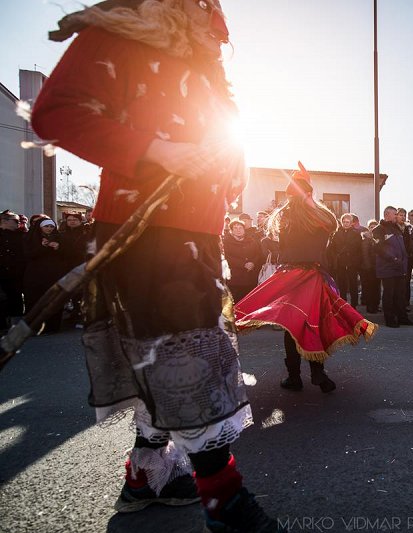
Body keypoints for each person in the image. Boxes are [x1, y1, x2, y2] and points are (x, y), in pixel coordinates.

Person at [30, 2, 282, 530]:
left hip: (195, 235)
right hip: (144, 234)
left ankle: (146, 477)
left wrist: (229, 168)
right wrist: (159, 150)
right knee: (185, 368)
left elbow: (220, 142)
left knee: (162, 366)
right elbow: (55, 111)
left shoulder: (208, 66)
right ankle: (226, 502)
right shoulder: (123, 31)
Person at [235, 163, 377, 394]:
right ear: (308, 194)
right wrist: (311, 201)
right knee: (314, 323)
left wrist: (306, 198)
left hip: (290, 276)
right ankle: (318, 373)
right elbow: (331, 224)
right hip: (312, 276)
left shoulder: (285, 218)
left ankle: (294, 377)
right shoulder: (318, 218)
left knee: (292, 326)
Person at [23, 217, 68, 334]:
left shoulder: (59, 238)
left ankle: (52, 327)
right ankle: (34, 328)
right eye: (46, 226)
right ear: (40, 227)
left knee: (53, 300)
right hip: (35, 275)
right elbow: (28, 254)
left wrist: (58, 247)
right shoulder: (31, 238)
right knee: (35, 300)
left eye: (51, 226)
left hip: (54, 274)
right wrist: (42, 247)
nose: (49, 229)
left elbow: (67, 255)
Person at [372, 206, 413, 327]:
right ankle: (390, 320)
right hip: (387, 268)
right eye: (394, 214)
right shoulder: (378, 229)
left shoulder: (396, 228)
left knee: (400, 294)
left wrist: (403, 259)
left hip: (399, 267)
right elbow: (378, 248)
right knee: (389, 295)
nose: (397, 216)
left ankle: (402, 318)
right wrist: (393, 258)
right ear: (386, 214)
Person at [223, 218, 264, 302]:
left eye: (240, 228)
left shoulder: (252, 240)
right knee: (236, 302)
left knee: (250, 302)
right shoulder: (226, 242)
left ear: (244, 229)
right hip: (235, 279)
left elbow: (258, 254)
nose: (238, 230)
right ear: (231, 230)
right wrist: (243, 264)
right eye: (235, 228)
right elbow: (227, 256)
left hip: (251, 278)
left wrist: (253, 263)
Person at [328, 213, 363, 308]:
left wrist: (356, 261)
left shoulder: (356, 235)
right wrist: (335, 259)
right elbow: (332, 249)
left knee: (353, 284)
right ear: (341, 222)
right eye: (344, 222)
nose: (345, 223)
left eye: (348, 222)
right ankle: (343, 304)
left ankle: (354, 305)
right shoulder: (336, 234)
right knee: (341, 284)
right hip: (340, 263)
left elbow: (359, 250)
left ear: (351, 223)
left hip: (352, 263)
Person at [0, 211, 26, 332]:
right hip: (1, 274)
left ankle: (16, 328)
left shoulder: (20, 236)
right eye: (15, 221)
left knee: (16, 300)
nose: (18, 223)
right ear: (4, 221)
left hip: (16, 274)